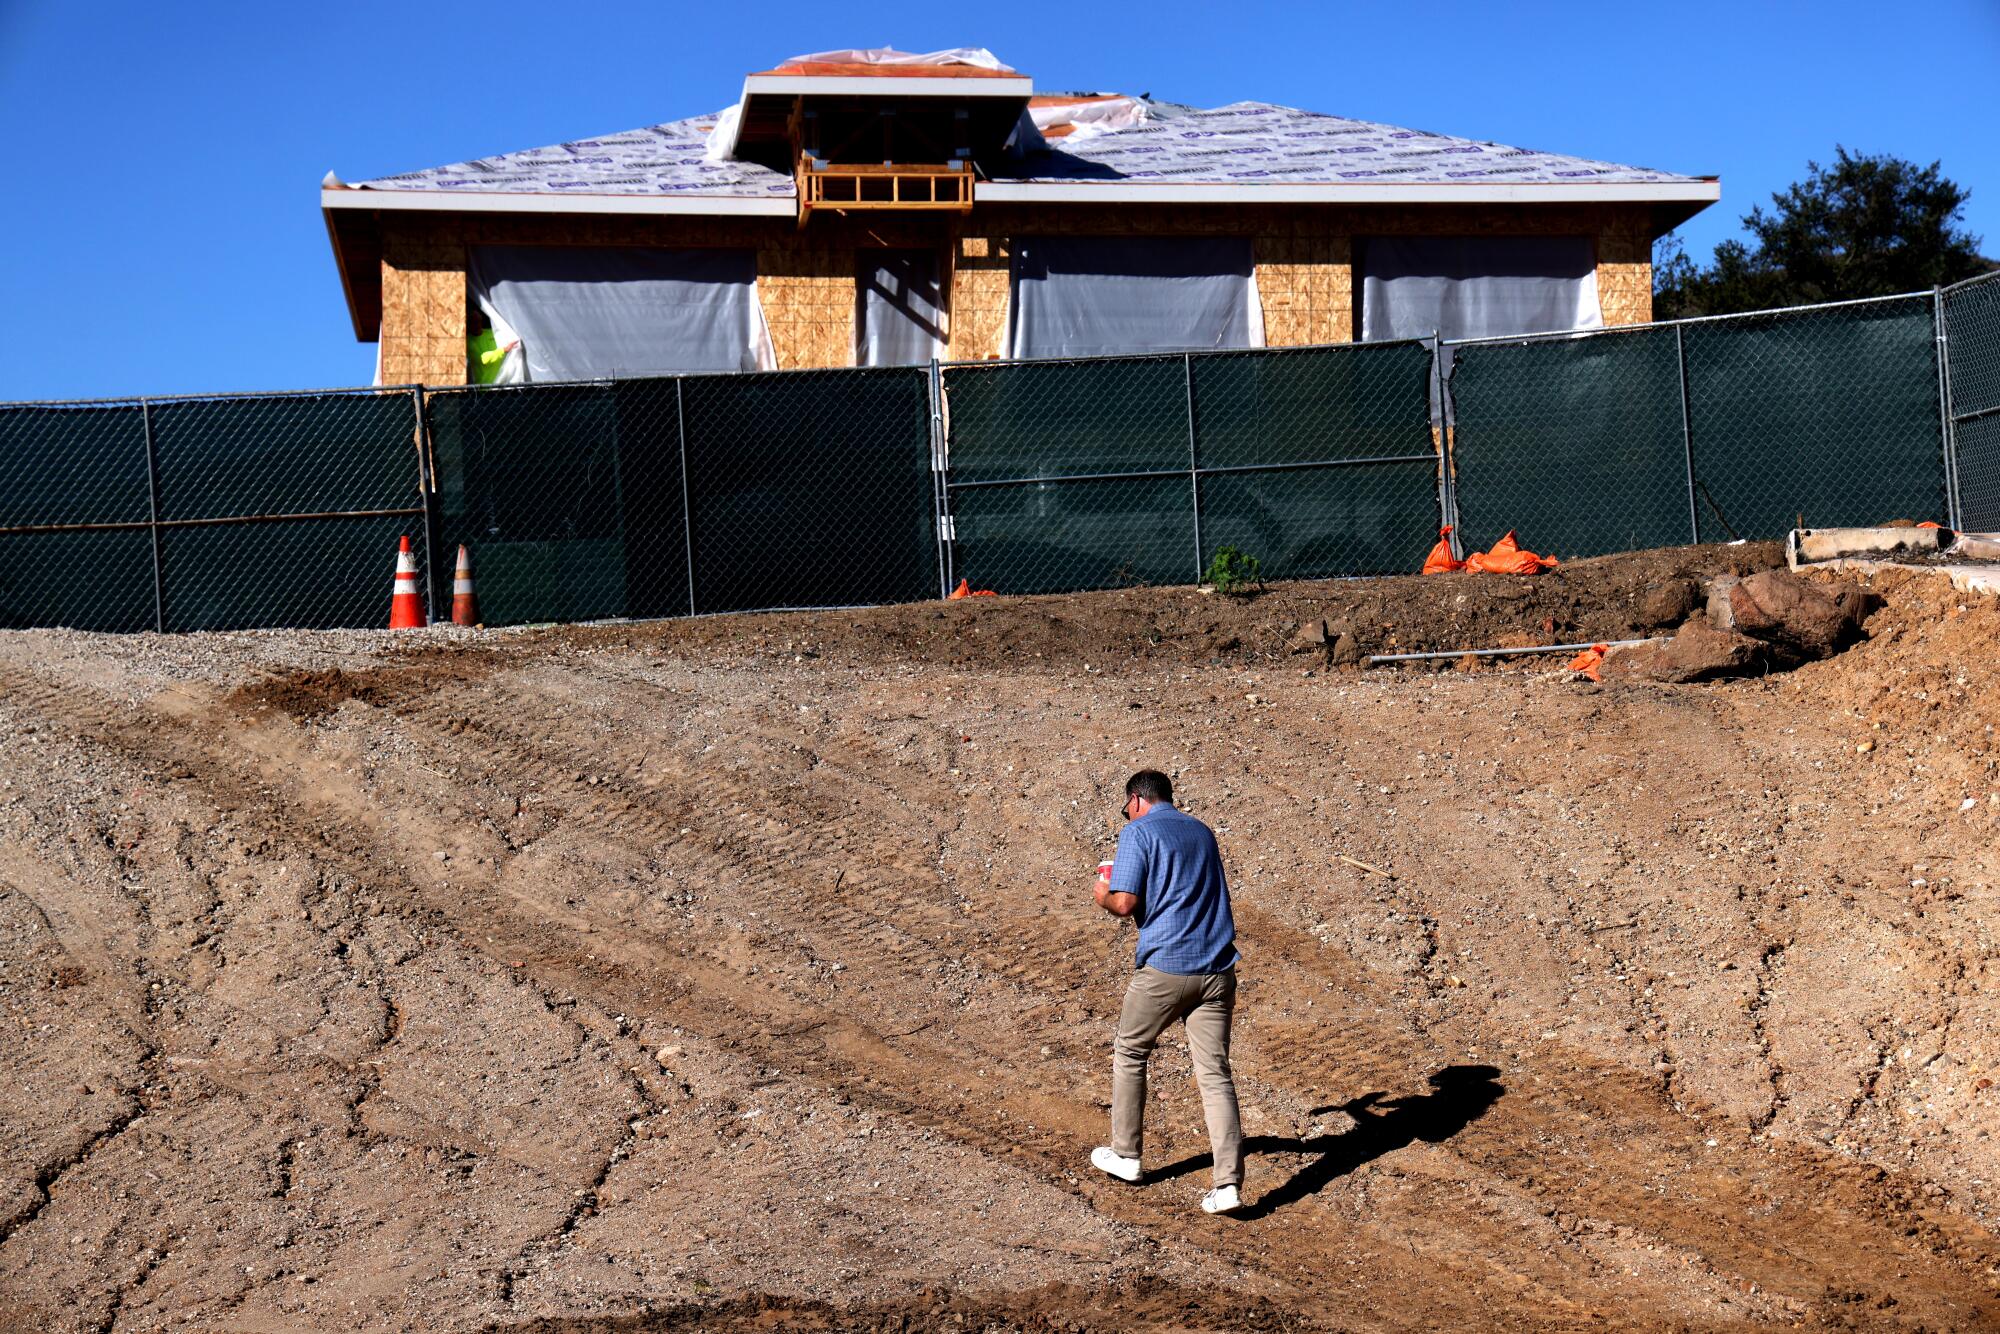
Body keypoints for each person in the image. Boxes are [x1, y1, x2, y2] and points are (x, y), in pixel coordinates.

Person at [1088, 769, 1244, 1214]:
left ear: (1136, 800)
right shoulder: (1201, 830)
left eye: (1126, 808)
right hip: (1218, 968)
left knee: (1131, 1052)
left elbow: (1124, 903)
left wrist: (1102, 890)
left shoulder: (1137, 832)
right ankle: (1228, 1184)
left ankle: (1126, 1154)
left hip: (1166, 970)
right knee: (1215, 1075)